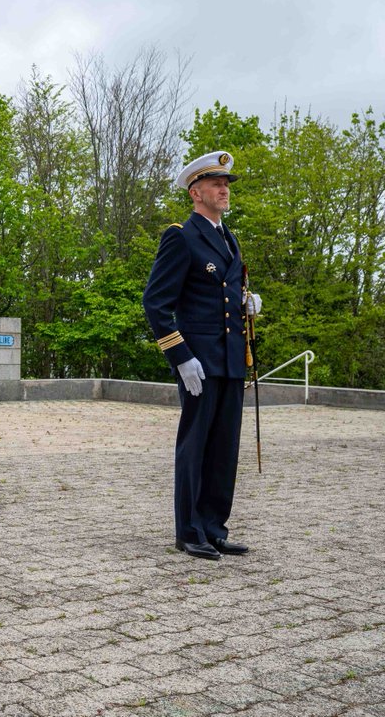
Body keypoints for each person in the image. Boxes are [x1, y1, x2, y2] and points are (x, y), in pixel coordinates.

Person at [143, 151, 262, 561]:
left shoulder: (229, 238)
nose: (224, 189)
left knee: (225, 446)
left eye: (226, 184)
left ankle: (214, 527)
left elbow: (223, 294)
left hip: (230, 359)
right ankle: (189, 530)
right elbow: (156, 303)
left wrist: (246, 302)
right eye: (216, 184)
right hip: (199, 361)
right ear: (196, 192)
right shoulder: (181, 236)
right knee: (195, 446)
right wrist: (180, 356)